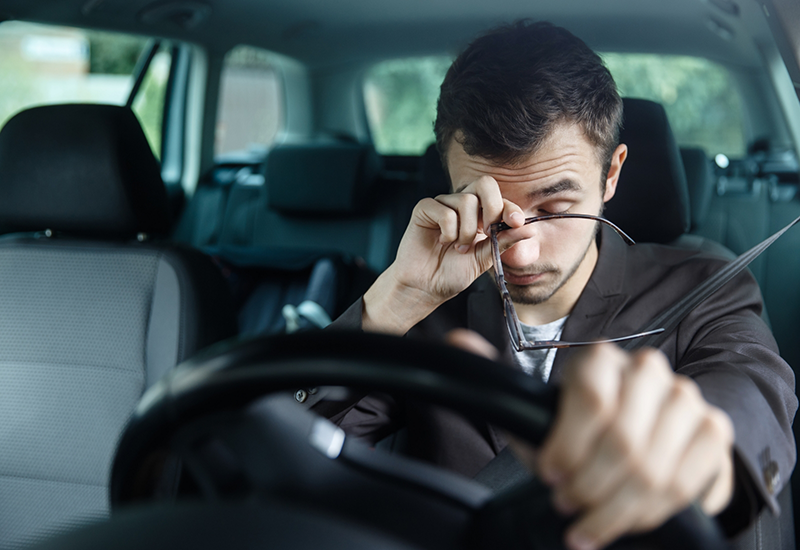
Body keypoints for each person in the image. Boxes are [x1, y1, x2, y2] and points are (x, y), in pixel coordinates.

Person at [311, 20, 797, 550]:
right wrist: (393, 301)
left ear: (611, 175)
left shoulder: (705, 288)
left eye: (555, 208)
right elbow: (287, 451)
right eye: (492, 211)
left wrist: (696, 453)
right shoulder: (422, 313)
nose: (520, 251)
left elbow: (751, 397)